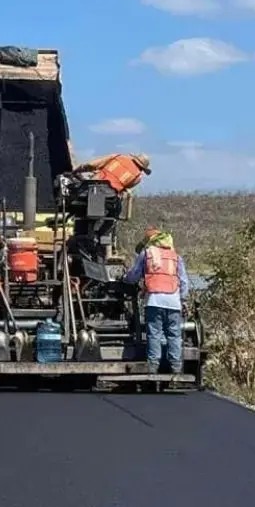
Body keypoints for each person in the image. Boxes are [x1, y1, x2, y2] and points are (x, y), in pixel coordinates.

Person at [123, 227, 190, 374]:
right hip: (174, 303)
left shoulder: (147, 254)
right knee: (174, 334)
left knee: (154, 334)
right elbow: (184, 281)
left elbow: (134, 275)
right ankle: (176, 368)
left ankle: (153, 367)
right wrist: (183, 300)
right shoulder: (176, 257)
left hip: (154, 301)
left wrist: (125, 279)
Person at [72, 153, 152, 193]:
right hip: (110, 196)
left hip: (92, 186)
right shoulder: (137, 176)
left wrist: (77, 170)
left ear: (133, 158)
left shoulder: (117, 157)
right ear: (142, 168)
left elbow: (91, 164)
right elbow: (126, 188)